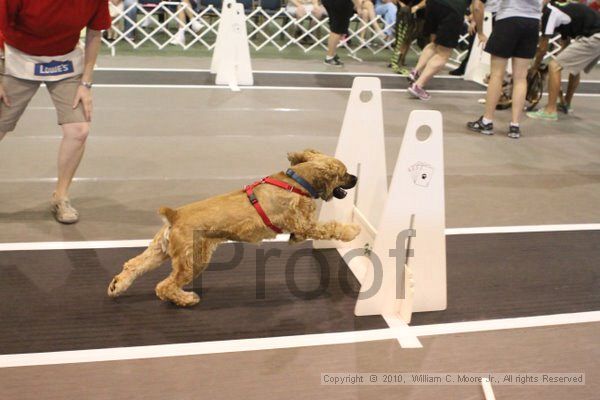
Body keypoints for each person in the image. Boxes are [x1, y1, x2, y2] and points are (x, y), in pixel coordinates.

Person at [0, 0, 111, 223]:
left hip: (65, 62)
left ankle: (60, 197)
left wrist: (86, 83)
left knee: (79, 129)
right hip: (16, 58)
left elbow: (94, 34)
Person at [466, 0, 543, 139]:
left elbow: (477, 5)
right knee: (520, 78)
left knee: (496, 75)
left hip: (508, 20)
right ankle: (515, 125)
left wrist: (480, 32)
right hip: (532, 23)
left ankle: (487, 121)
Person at [527, 1, 600, 121]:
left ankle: (550, 111)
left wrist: (534, 68)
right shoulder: (562, 12)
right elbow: (565, 46)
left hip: (595, 36)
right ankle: (566, 103)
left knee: (554, 66)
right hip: (593, 33)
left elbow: (543, 48)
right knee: (573, 67)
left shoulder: (549, 13)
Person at [407, 0, 486, 100]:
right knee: (444, 53)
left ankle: (416, 71)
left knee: (435, 43)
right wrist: (480, 32)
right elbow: (477, 7)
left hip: (433, 4)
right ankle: (418, 86)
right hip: (451, 10)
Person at [322, 0, 364, 65]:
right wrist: (358, 6)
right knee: (337, 30)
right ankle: (329, 57)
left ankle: (332, 54)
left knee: (336, 28)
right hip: (340, 3)